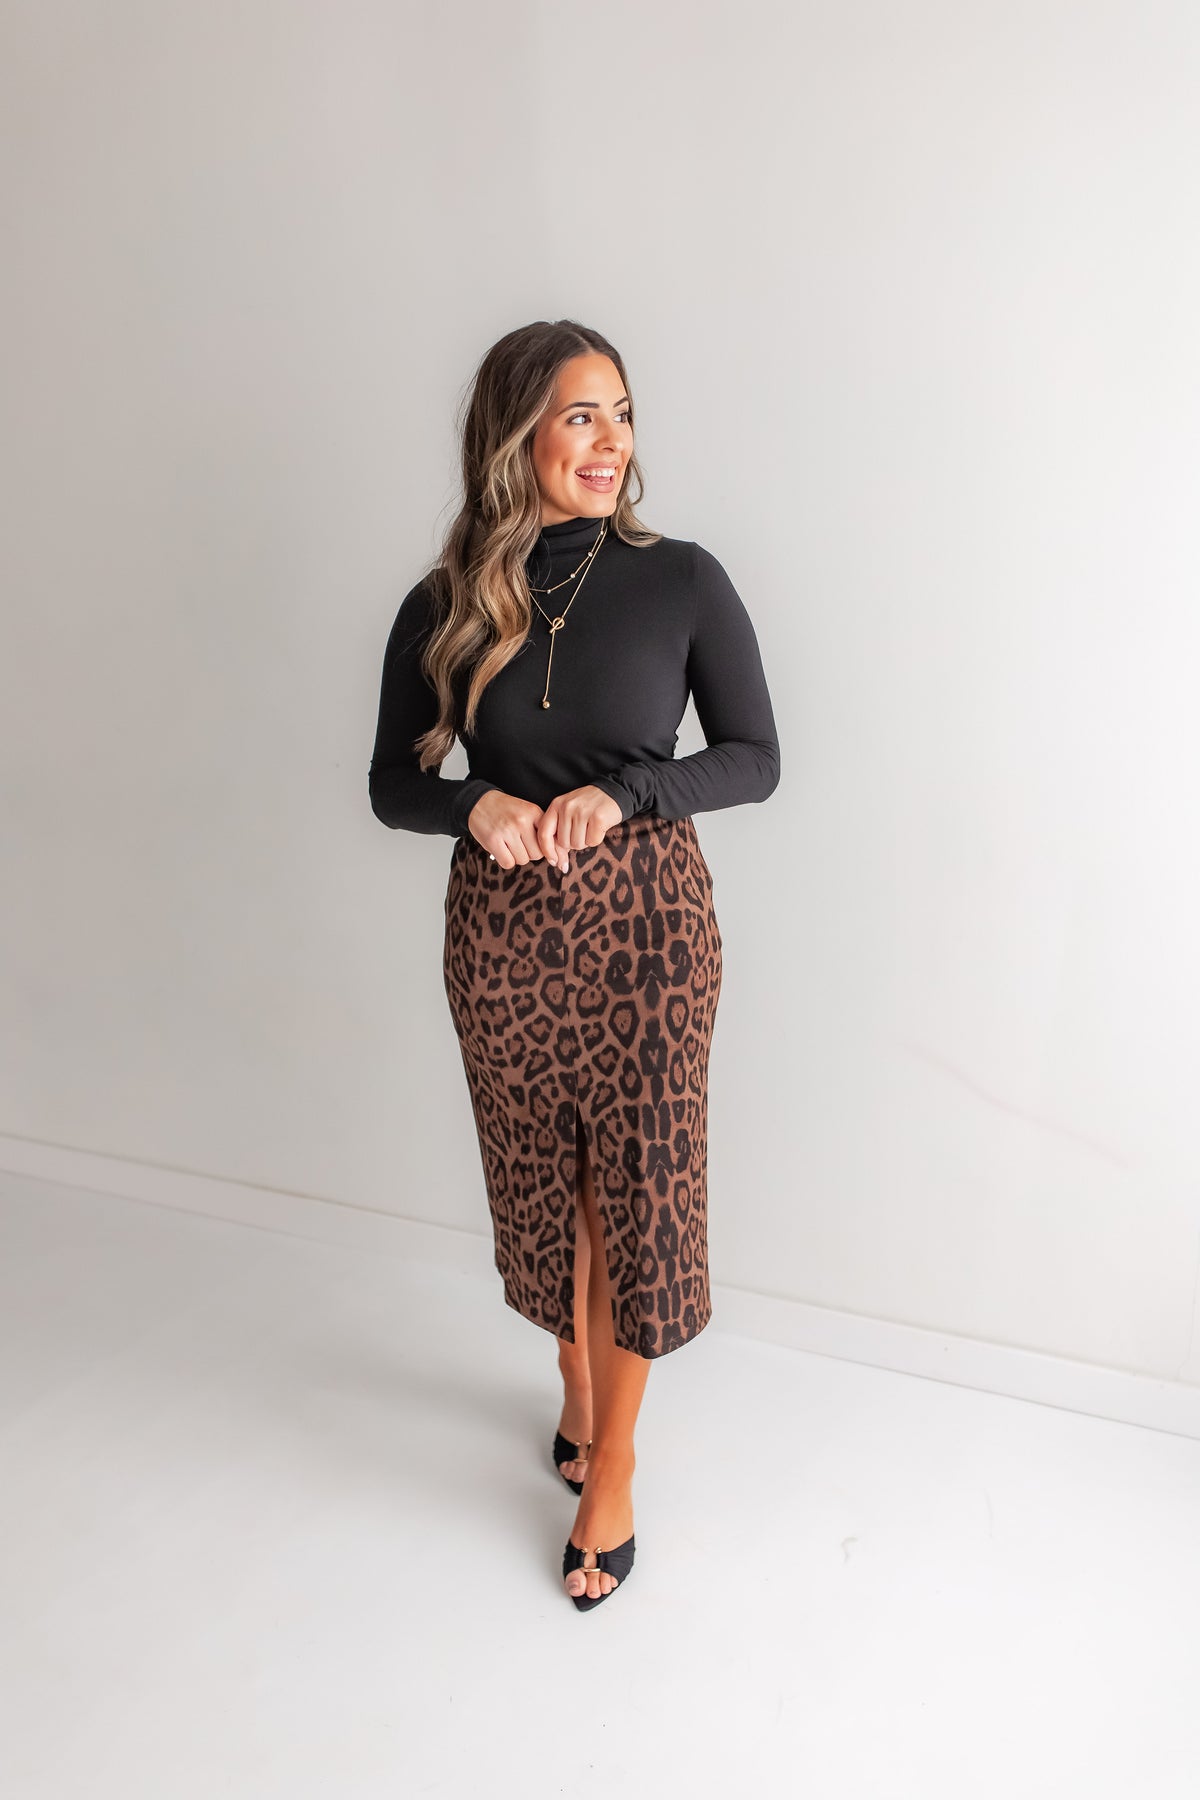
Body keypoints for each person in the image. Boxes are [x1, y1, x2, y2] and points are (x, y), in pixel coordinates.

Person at [368, 319, 780, 1610]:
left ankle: (617, 1463)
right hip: (503, 935)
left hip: (650, 930)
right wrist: (471, 805)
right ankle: (571, 1372)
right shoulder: (444, 603)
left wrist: (633, 793)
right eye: (580, 416)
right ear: (516, 437)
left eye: (622, 413)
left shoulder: (683, 580)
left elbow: (756, 757)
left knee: (636, 1192)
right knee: (544, 1179)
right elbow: (391, 784)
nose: (611, 444)